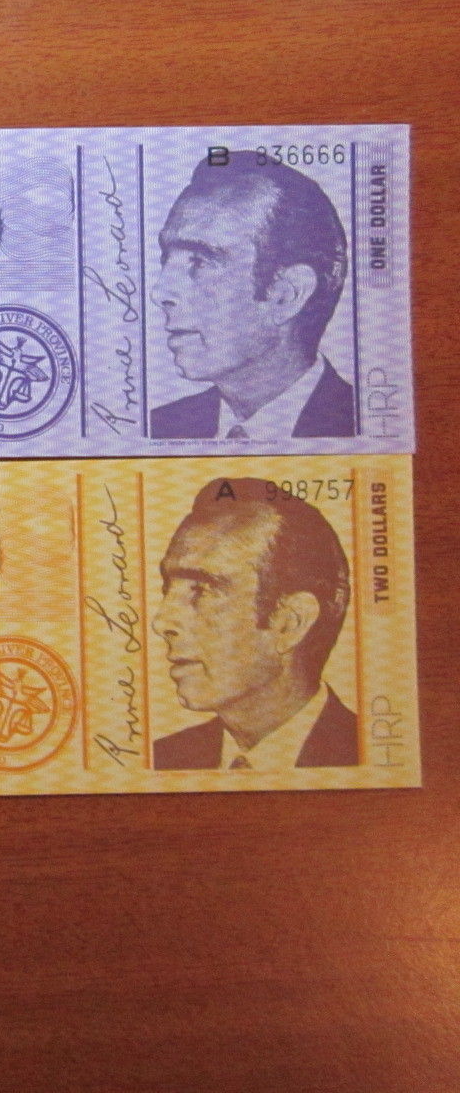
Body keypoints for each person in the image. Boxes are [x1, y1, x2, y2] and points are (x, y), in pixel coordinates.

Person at [151, 477, 357, 770]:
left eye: (203, 589)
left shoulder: (361, 754)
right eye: (167, 588)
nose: (161, 622)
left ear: (290, 623)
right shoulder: (163, 760)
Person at [150, 152, 354, 440]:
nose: (159, 293)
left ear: (286, 295)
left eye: (200, 261)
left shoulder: (351, 423)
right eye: (166, 259)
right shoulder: (161, 428)